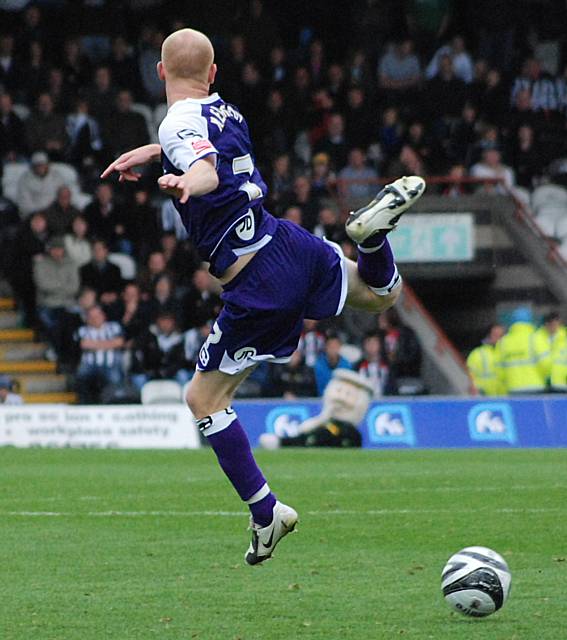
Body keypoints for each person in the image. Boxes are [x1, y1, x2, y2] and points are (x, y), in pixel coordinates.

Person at [101, 28, 425, 565]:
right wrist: (160, 154)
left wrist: (185, 183)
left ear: (159, 72)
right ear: (212, 75)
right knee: (380, 295)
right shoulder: (224, 111)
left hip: (257, 284)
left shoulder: (177, 121)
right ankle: (372, 239)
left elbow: (204, 169)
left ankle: (265, 512)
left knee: (203, 400)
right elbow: (207, 153)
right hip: (288, 243)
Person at [74, 305, 125, 404]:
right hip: (89, 365)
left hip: (111, 364)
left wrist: (94, 344)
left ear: (103, 316)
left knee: (114, 377)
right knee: (81, 375)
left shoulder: (114, 327)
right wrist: (109, 344)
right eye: (91, 317)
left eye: (97, 316)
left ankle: (113, 403)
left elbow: (119, 342)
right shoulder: (82, 330)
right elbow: (83, 344)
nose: (95, 319)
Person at [493, 307, 550, 394]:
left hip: (513, 388)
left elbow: (498, 369)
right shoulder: (536, 338)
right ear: (530, 321)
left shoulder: (503, 342)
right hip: (536, 387)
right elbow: (546, 364)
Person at [466, 323, 507, 396]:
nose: (499, 339)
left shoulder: (507, 352)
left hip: (505, 395)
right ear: (489, 336)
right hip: (484, 395)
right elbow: (470, 374)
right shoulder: (477, 354)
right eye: (495, 335)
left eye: (501, 336)